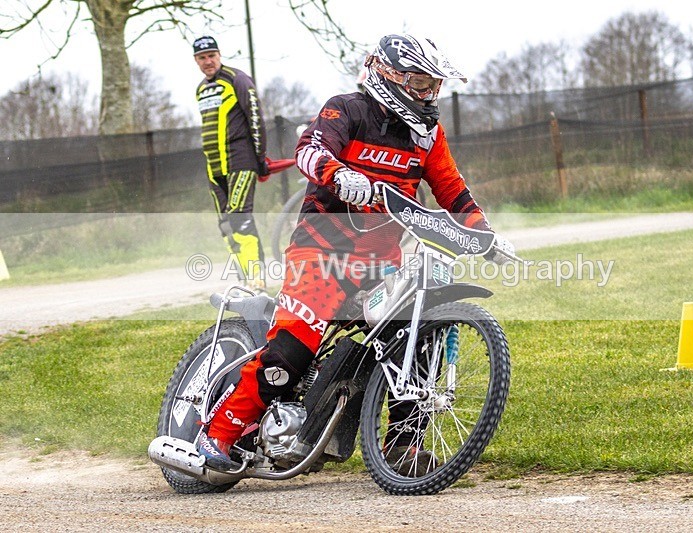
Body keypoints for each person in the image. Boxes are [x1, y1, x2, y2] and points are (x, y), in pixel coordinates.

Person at [197, 33, 515, 475]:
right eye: (421, 84)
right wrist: (339, 174)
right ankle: (219, 435)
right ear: (390, 76)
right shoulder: (346, 108)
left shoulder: (427, 136)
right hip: (320, 250)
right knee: (293, 348)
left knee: (417, 336)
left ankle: (403, 449)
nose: (429, 95)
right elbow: (309, 150)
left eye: (433, 86)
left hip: (380, 262)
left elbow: (453, 191)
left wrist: (487, 235)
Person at [193, 35, 268, 291]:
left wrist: (260, 160)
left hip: (241, 161)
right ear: (196, 61)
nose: (208, 61)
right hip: (214, 168)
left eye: (211, 55)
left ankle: (257, 279)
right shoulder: (201, 89)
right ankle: (244, 280)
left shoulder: (237, 78)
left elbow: (255, 118)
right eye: (202, 58)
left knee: (239, 217)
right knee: (225, 223)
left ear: (219, 55)